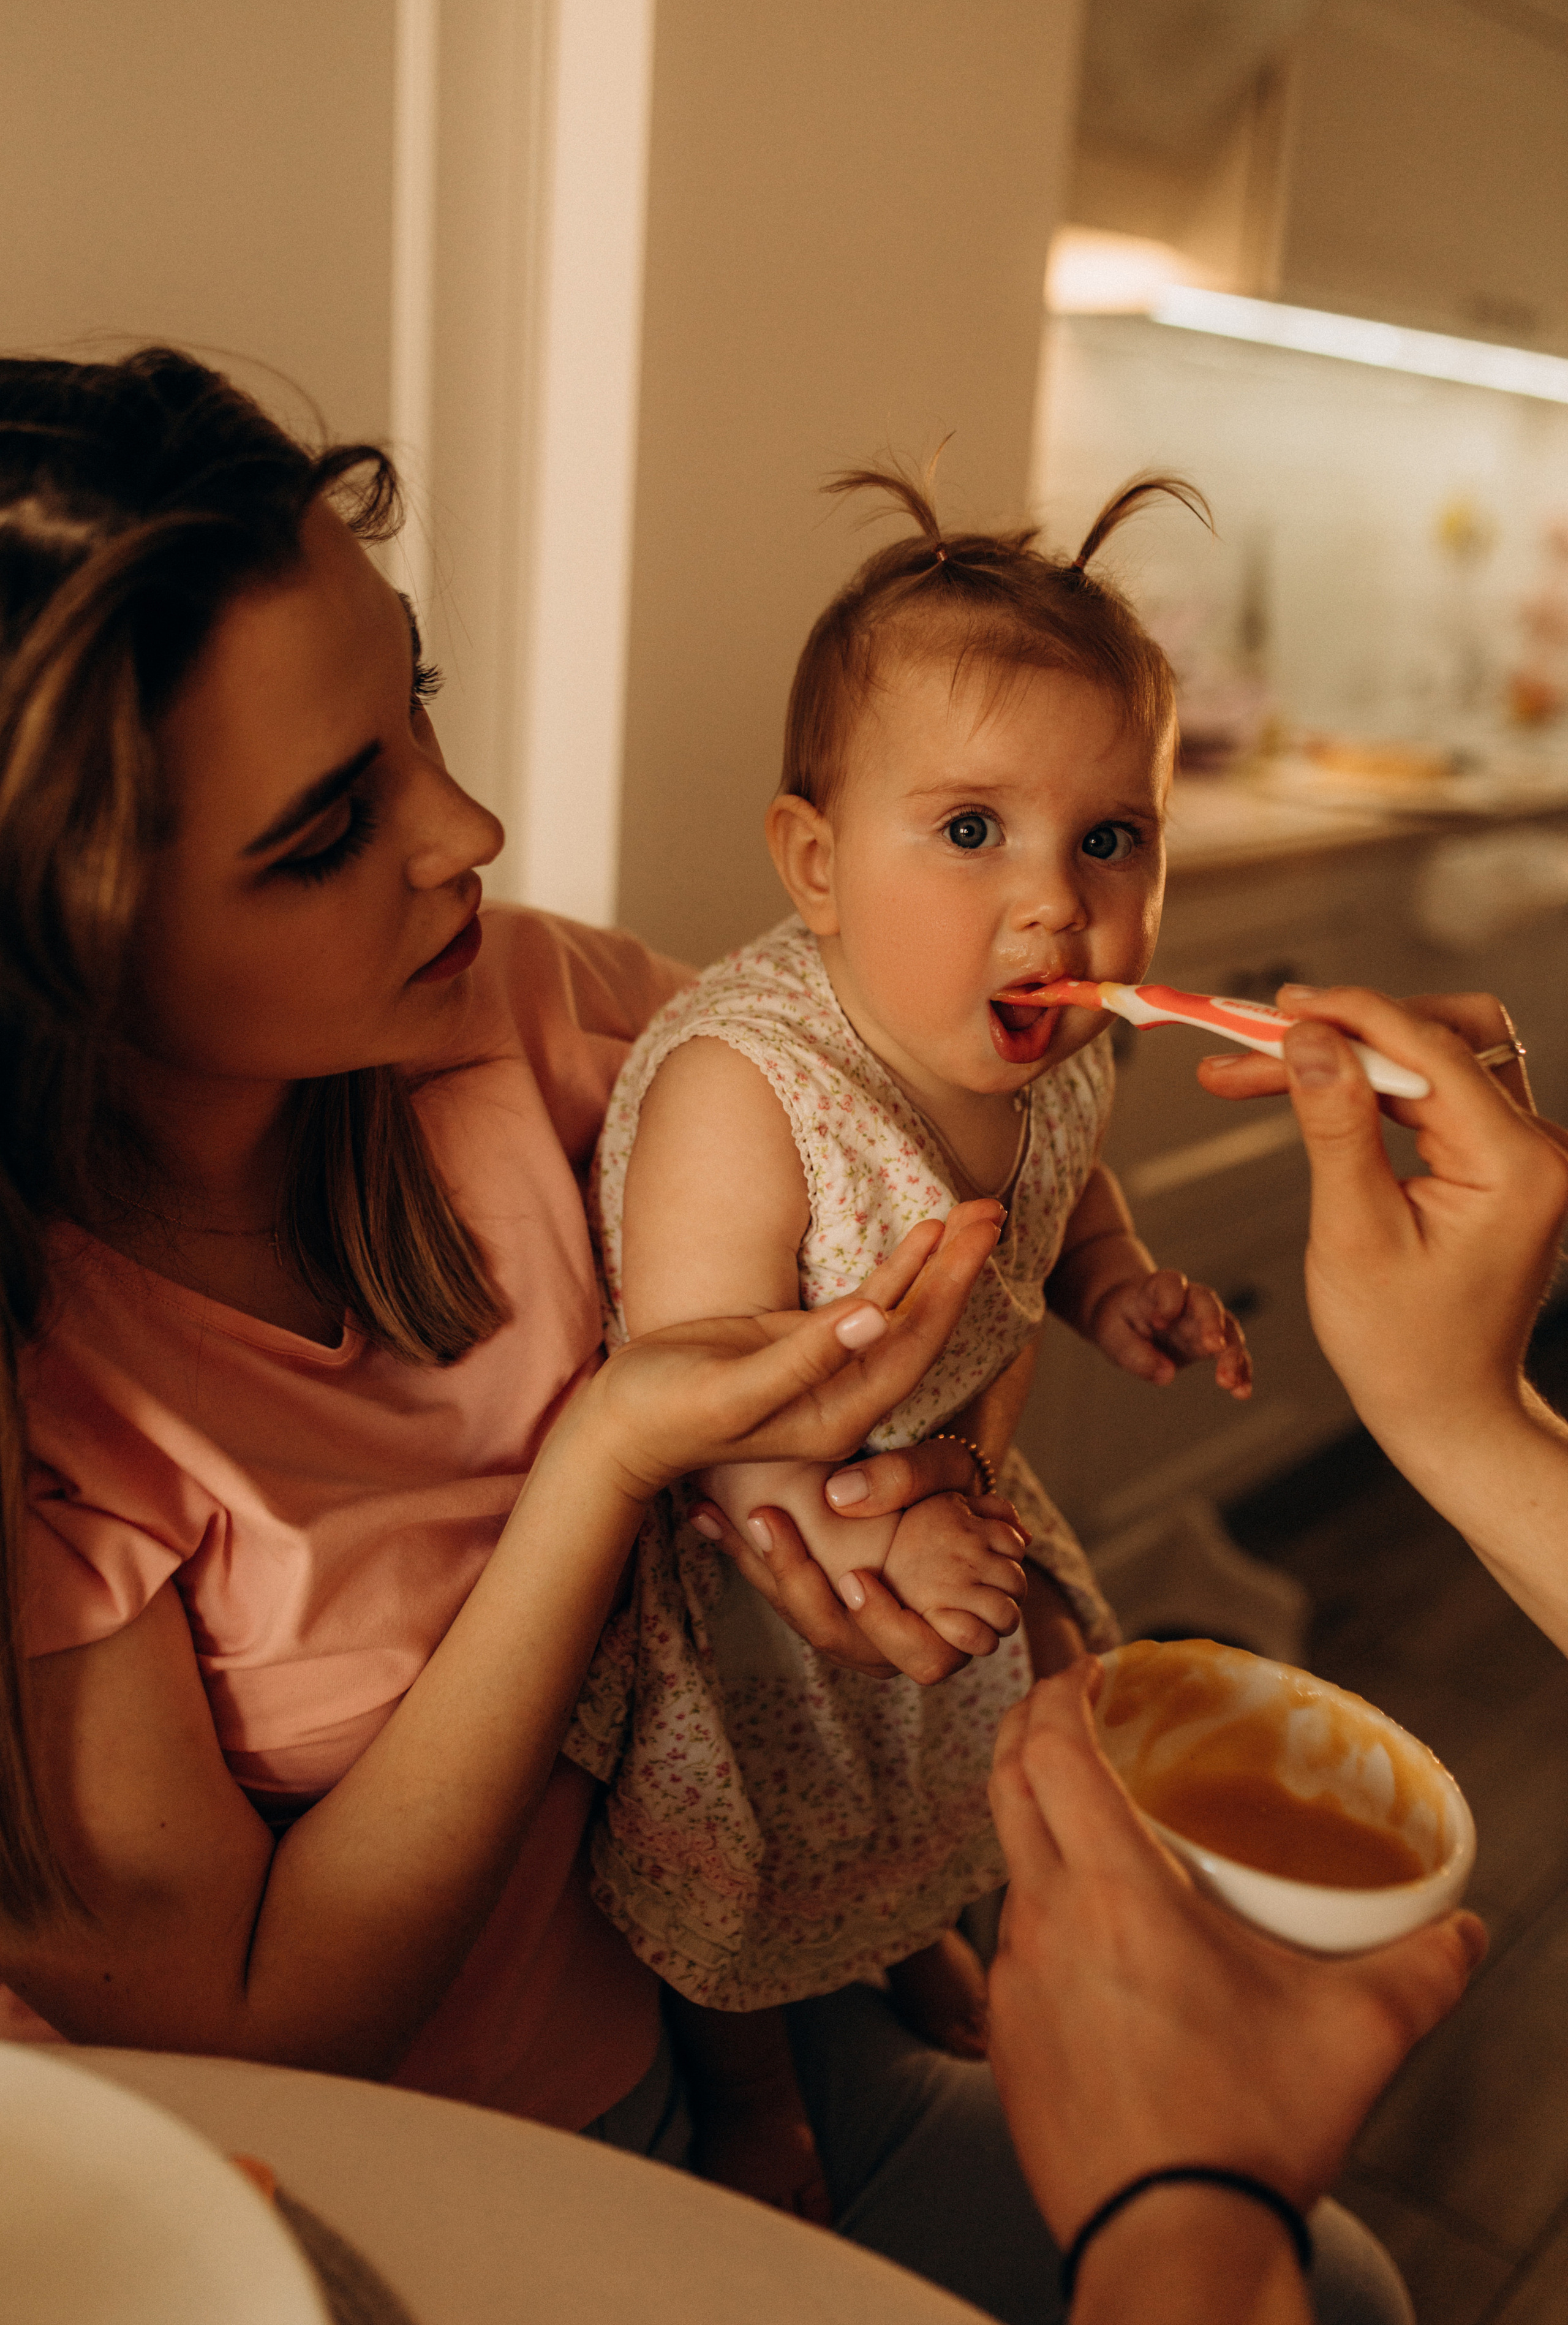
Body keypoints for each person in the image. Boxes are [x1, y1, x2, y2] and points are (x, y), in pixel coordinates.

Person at [0, 347, 1100, 2325]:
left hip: (736, 1987)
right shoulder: (53, 1409)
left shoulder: (520, 1012)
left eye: (411, 699)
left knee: (1333, 2283)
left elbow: (889, 1099)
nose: (473, 824)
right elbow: (261, 2034)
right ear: (68, 943)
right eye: (331, 828)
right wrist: (605, 1461)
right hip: (442, 2195)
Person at [575, 463, 1255, 2210]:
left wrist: (1116, 1283)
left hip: (939, 1488)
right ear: (813, 863)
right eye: (972, 832)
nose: (1055, 905)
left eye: (1110, 840)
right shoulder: (752, 1087)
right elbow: (704, 1405)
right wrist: (879, 1515)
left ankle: (899, 1950)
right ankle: (749, 2091)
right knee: (750, 1849)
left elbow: (1070, 1183)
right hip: (752, 1553)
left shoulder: (1057, 1046)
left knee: (959, 1746)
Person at [975, 985, 1568, 2319]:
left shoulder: (1061, 1097)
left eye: (1120, 838)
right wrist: (1460, 1414)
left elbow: (1074, 1207)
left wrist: (1177, 2209)